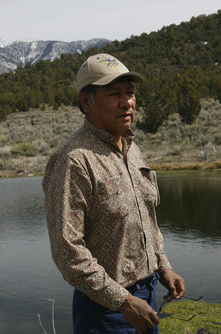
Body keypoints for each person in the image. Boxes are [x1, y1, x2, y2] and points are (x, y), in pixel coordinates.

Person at [43, 53, 185, 334]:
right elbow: (67, 251)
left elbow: (148, 218)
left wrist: (163, 266)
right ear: (86, 102)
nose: (127, 102)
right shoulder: (74, 160)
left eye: (130, 93)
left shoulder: (132, 149)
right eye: (114, 94)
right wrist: (123, 301)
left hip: (147, 295)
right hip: (105, 310)